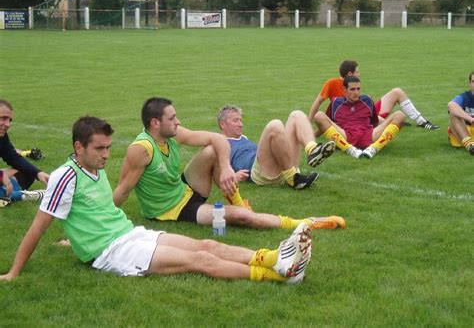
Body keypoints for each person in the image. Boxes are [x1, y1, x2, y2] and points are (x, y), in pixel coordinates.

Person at [0, 116, 313, 284]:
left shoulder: (94, 170)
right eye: (100, 149)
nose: (107, 155)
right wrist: (14, 273)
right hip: (113, 252)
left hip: (130, 234)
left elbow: (96, 212)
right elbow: (38, 228)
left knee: (209, 245)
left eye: (108, 147)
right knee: (200, 261)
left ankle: (274, 257)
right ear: (79, 147)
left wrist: (74, 239)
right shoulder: (63, 177)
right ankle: (278, 274)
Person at [113, 97, 345, 230]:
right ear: (155, 123)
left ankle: (238, 201)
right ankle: (305, 223)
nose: (178, 121)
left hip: (186, 188)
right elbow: (122, 191)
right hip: (173, 210)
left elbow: (217, 139)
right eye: (172, 118)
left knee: (213, 148)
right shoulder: (141, 150)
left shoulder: (174, 134)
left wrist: (225, 169)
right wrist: (94, 222)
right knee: (241, 218)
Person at [217, 105, 335, 190]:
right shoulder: (219, 142)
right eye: (235, 120)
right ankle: (293, 178)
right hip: (261, 173)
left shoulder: (243, 137)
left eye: (240, 120)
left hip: (278, 165)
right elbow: (215, 166)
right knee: (275, 125)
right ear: (223, 124)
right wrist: (233, 177)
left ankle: (312, 149)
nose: (240, 124)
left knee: (296, 115)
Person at [308, 60, 439, 131]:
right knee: (387, 123)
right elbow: (317, 103)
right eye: (357, 72)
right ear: (350, 74)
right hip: (356, 118)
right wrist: (309, 122)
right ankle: (396, 122)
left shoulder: (354, 85)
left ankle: (422, 121)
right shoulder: (332, 83)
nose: (359, 74)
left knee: (397, 91)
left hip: (366, 111)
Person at [313, 76, 405, 159]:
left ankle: (374, 149)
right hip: (345, 136)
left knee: (400, 115)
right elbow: (326, 124)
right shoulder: (335, 102)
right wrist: (312, 137)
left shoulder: (367, 100)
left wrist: (389, 125)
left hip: (369, 135)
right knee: (319, 116)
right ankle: (349, 149)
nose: (356, 92)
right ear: (344, 89)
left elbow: (375, 123)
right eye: (352, 89)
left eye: (358, 89)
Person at [0, 100, 49, 207]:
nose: (8, 124)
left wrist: (38, 173)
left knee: (26, 172)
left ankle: (7, 194)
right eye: (3, 118)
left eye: (10, 120)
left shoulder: (2, 137)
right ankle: (22, 195)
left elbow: (13, 157)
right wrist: (2, 177)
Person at [447, 71, 474, 155]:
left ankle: (469, 145)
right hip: (464, 132)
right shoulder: (464, 97)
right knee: (453, 114)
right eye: (473, 81)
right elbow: (451, 105)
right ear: (469, 83)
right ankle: (470, 145)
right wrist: (471, 119)